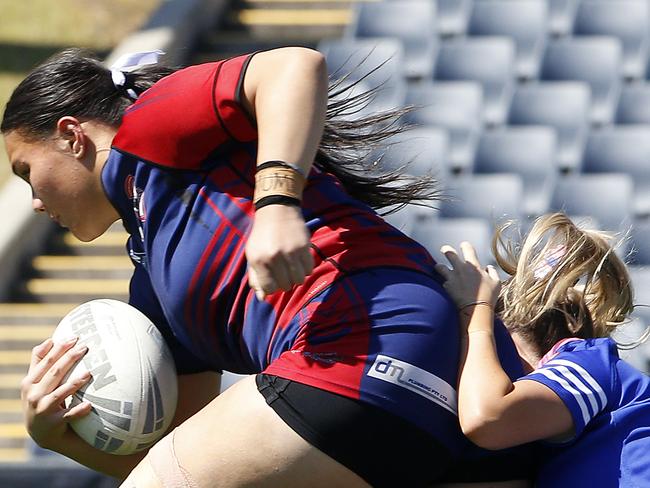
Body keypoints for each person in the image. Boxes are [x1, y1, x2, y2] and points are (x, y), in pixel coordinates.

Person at [4, 46, 532, 487]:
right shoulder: (154, 279)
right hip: (426, 403)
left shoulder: (150, 124)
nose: (34, 201)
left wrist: (277, 204)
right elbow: (186, 454)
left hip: (371, 339)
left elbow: (295, 66)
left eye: (27, 171)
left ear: (73, 135)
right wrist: (60, 437)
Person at [436, 212, 650, 487]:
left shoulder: (590, 360)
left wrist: (475, 312)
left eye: (497, 344)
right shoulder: (544, 427)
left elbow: (487, 419)